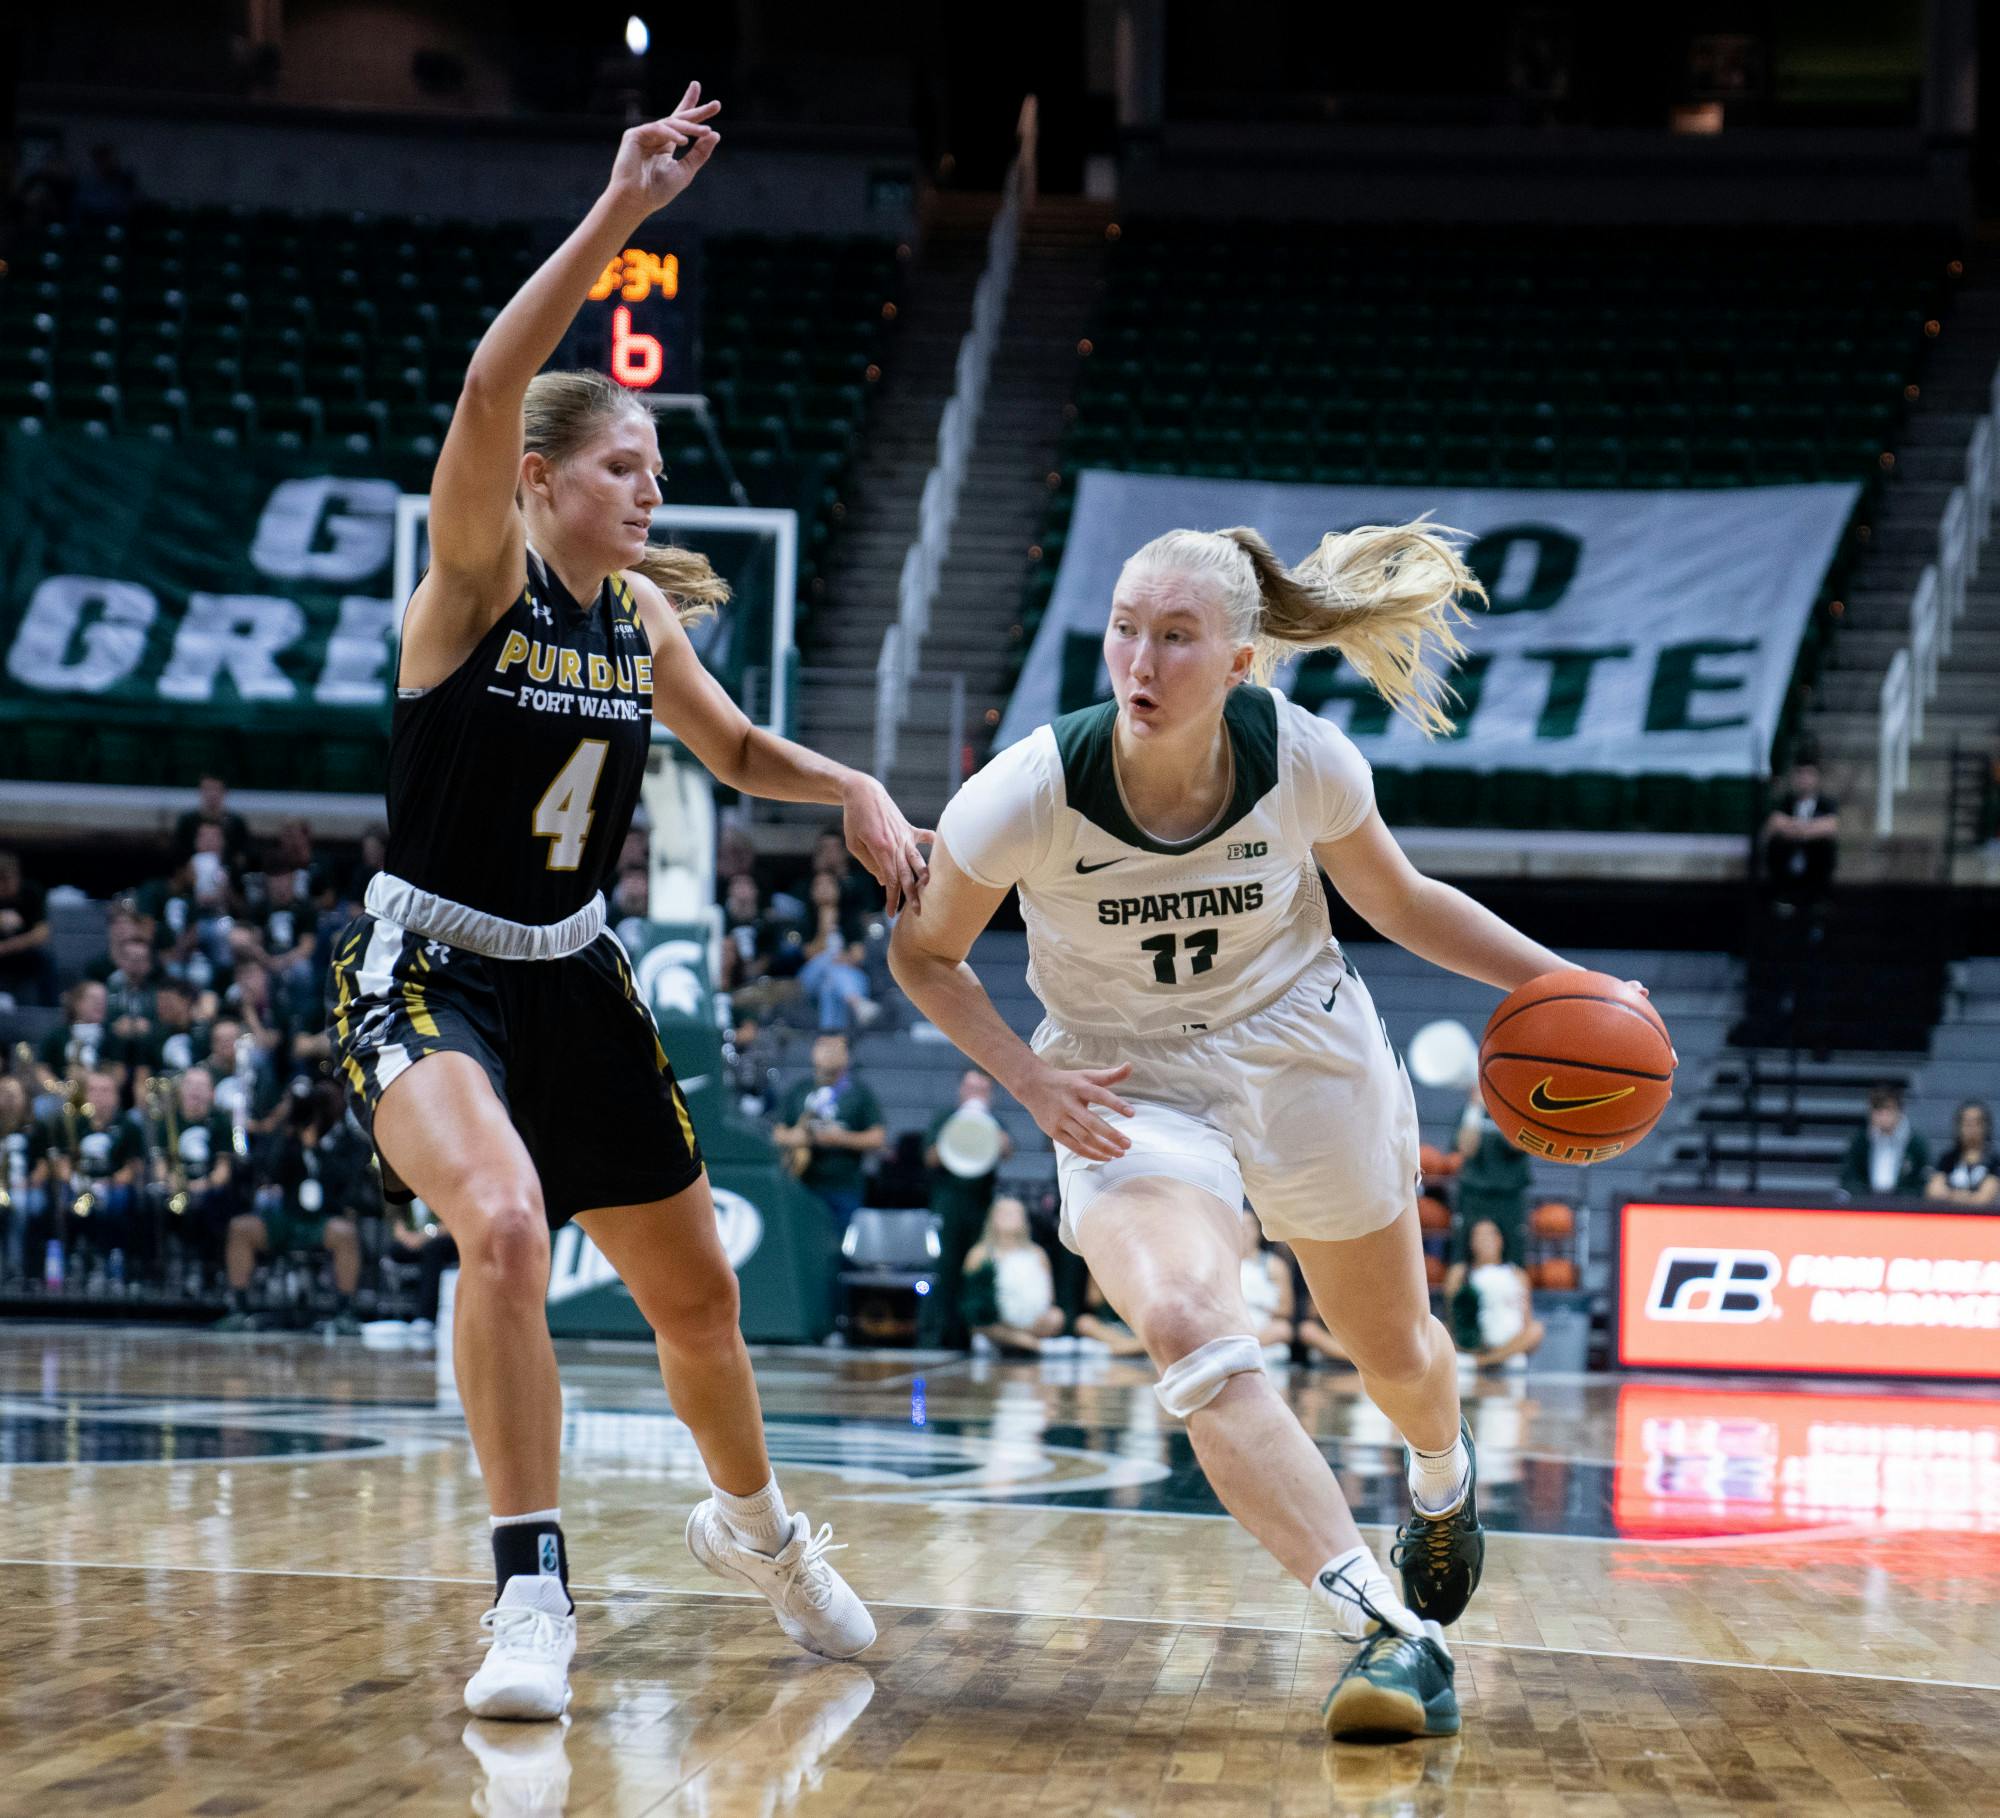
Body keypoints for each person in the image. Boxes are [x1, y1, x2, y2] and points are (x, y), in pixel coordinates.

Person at [320, 89, 928, 1724]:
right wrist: (616, 221)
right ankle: (532, 1585)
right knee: (506, 1225)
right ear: (537, 480)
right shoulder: (469, 580)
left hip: (577, 974)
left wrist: (855, 788)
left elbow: (733, 748)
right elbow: (483, 383)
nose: (650, 488)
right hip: (433, 957)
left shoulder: (640, 618)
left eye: (653, 467)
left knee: (698, 1299)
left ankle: (761, 1530)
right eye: (624, 464)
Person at [891, 516, 1595, 1744]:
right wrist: (1024, 1079)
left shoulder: (1302, 760)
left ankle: (1441, 1478)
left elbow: (1404, 902)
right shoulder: (1026, 790)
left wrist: (1569, 987)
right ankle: (1381, 1628)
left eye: (1175, 638)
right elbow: (924, 951)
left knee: (1391, 1352)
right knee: (1183, 1324)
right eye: (1123, 632)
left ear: (1238, 661)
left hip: (1300, 1050)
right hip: (1125, 1080)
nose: (1141, 665)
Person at [217, 1078, 365, 1332]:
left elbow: (346, 1183)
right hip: (286, 1215)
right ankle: (239, 1309)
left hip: (323, 1218)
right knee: (241, 1228)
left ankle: (344, 1312)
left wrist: (316, 1147)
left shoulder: (348, 1141)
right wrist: (288, 1132)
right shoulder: (288, 1135)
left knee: (346, 1234)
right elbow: (270, 1172)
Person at [919, 1069, 1013, 1350]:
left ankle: (971, 1334)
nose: (976, 1094)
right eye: (971, 1088)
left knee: (975, 1268)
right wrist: (957, 1128)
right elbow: (930, 1158)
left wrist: (985, 1121)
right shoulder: (945, 1117)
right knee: (944, 1267)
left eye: (982, 1089)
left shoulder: (995, 1121)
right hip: (948, 1201)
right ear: (961, 1090)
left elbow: (1007, 1151)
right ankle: (935, 1337)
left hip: (980, 1202)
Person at [771, 1032, 886, 1232]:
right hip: (802, 1182)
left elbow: (877, 1137)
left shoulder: (858, 1093)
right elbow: (777, 1131)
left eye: (835, 1048)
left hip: (843, 1184)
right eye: (823, 1046)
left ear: (847, 1056)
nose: (828, 1053)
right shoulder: (799, 1090)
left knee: (839, 1244)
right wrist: (796, 1137)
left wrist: (841, 1139)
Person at [960, 1196, 1064, 1354]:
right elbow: (971, 1302)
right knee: (983, 1324)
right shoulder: (980, 1254)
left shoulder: (1037, 1253)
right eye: (1003, 1213)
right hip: (996, 1321)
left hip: (1032, 1322)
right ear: (992, 1218)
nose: (1009, 1217)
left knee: (1056, 1316)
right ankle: (1025, 1343)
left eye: (1014, 1213)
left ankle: (1018, 1340)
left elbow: (1050, 1296)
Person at [1444, 1218, 1544, 1371]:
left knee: (1536, 1330)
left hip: (1508, 1344)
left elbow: (1527, 1321)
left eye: (1490, 1234)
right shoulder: (1459, 1272)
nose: (1485, 1240)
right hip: (1472, 1341)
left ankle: (1484, 1361)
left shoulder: (1517, 1274)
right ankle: (1483, 1357)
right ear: (1470, 1242)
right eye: (1479, 1235)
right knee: (1439, 1329)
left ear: (1500, 1240)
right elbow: (1453, 1316)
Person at [1452, 1082, 1530, 1265]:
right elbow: (1466, 1148)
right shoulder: (1469, 1111)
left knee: (1513, 1256)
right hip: (1474, 1194)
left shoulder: (1516, 1111)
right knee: (1464, 1255)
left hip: (1510, 1195)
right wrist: (1476, 1108)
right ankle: (1464, 1293)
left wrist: (1500, 1107)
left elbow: (1517, 1145)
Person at [1760, 755, 1839, 904]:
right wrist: (1808, 829)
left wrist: (1795, 828)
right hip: (1788, 860)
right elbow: (1773, 823)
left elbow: (1831, 826)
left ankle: (1818, 901)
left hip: (1814, 864)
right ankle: (1781, 895)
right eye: (1799, 773)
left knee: (1825, 845)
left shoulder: (1826, 803)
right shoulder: (1784, 801)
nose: (1804, 778)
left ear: (1817, 777)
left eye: (1809, 774)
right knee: (1776, 844)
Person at [1839, 1085, 1929, 1200]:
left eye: (1888, 1109)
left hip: (1904, 1209)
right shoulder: (1860, 1141)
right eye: (1878, 1110)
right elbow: (1849, 1178)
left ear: (1899, 1111)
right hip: (1867, 1207)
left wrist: (1903, 1198)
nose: (1883, 1116)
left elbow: (1922, 1183)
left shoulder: (1916, 1144)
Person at [0, 851, 56, 1008]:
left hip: (21, 952)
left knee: (44, 960)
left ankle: (49, 1009)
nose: (6, 885)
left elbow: (41, 934)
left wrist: (6, 947)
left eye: (9, 879)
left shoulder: (31, 893)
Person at [1237, 1210, 1295, 1360]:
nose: (1244, 1231)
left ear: (1258, 1231)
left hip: (1264, 1327)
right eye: (1239, 1226)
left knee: (1283, 1329)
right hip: (1235, 1323)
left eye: (1248, 1226)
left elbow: (1286, 1309)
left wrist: (1258, 1304)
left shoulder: (1274, 1265)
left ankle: (1246, 1347)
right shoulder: (1225, 1263)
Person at [1925, 1101, 1999, 1208]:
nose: (1972, 1128)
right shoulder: (1948, 1159)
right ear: (1959, 1126)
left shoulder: (1994, 1161)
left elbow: (1984, 1198)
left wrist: (1950, 1195)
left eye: (1977, 1123)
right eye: (1967, 1123)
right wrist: (1967, 1197)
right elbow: (1933, 1191)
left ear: (1986, 1126)